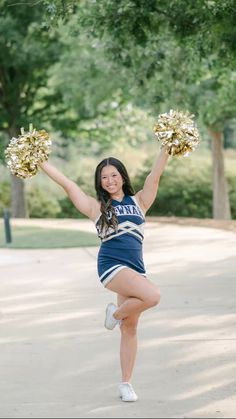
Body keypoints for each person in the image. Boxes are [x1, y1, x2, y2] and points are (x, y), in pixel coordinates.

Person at [39, 145, 169, 402]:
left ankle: (126, 384)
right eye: (104, 177)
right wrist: (40, 162)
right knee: (153, 296)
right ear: (100, 182)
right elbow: (67, 184)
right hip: (111, 266)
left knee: (130, 329)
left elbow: (155, 175)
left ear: (123, 176)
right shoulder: (95, 206)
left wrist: (168, 146)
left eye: (114, 175)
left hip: (136, 269)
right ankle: (115, 314)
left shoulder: (140, 201)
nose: (109, 181)